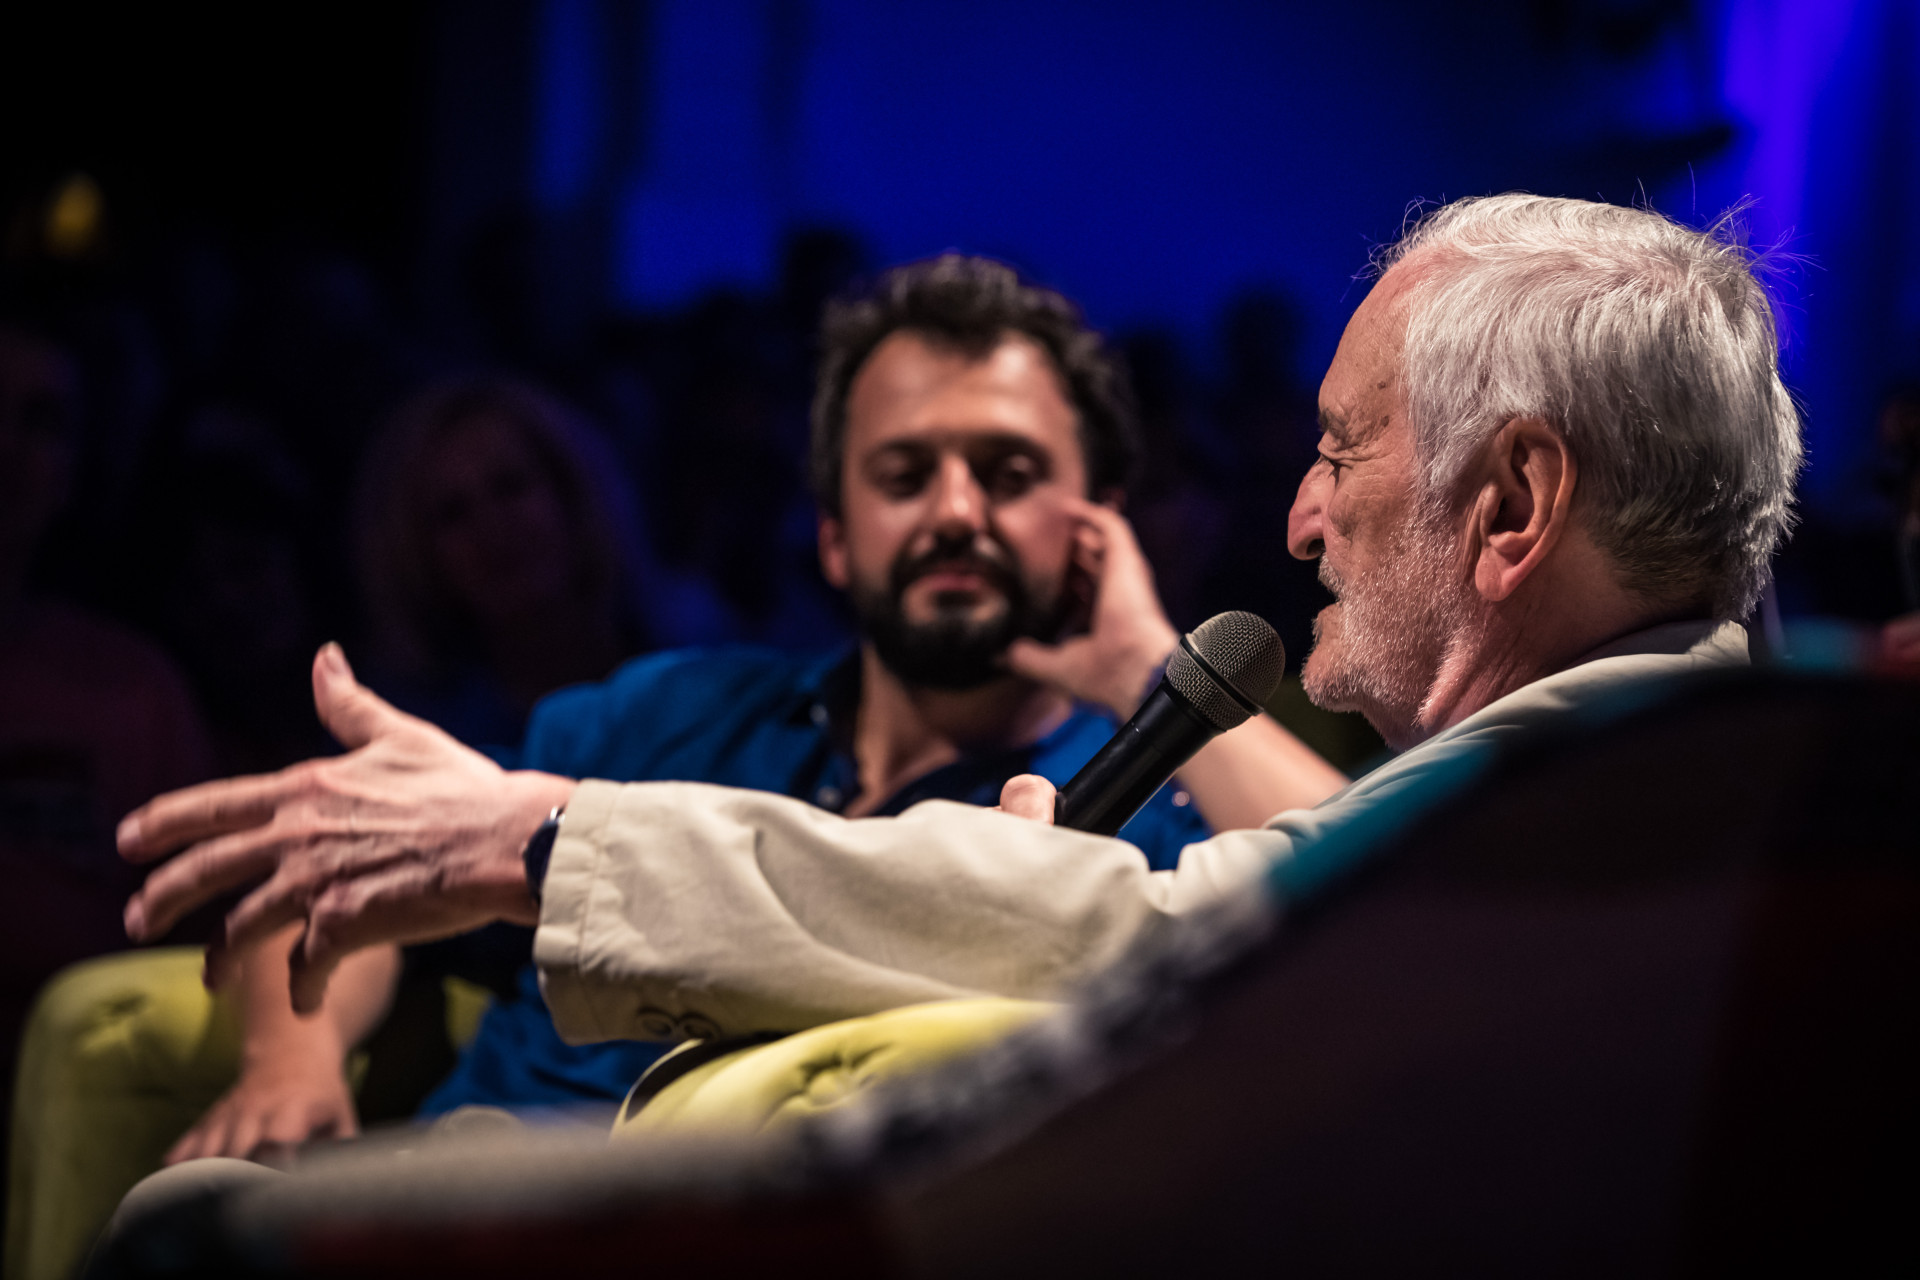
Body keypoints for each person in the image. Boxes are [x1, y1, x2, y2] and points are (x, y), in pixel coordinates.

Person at [120, 193, 1799, 1084]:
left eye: (1342, 451)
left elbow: (1186, 941)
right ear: (824, 530)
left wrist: (542, 837)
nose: (1299, 519)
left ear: (1511, 508)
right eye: (899, 473)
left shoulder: (1599, 781)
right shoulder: (1648, 746)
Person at [150, 256, 1347, 1162]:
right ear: (832, 537)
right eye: (903, 473)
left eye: (1009, 471)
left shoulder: (1140, 798)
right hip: (451, 1184)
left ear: (1100, 523)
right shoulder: (667, 710)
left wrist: (1138, 658)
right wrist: (290, 1063)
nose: (954, 511)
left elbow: (1373, 905)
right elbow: (367, 863)